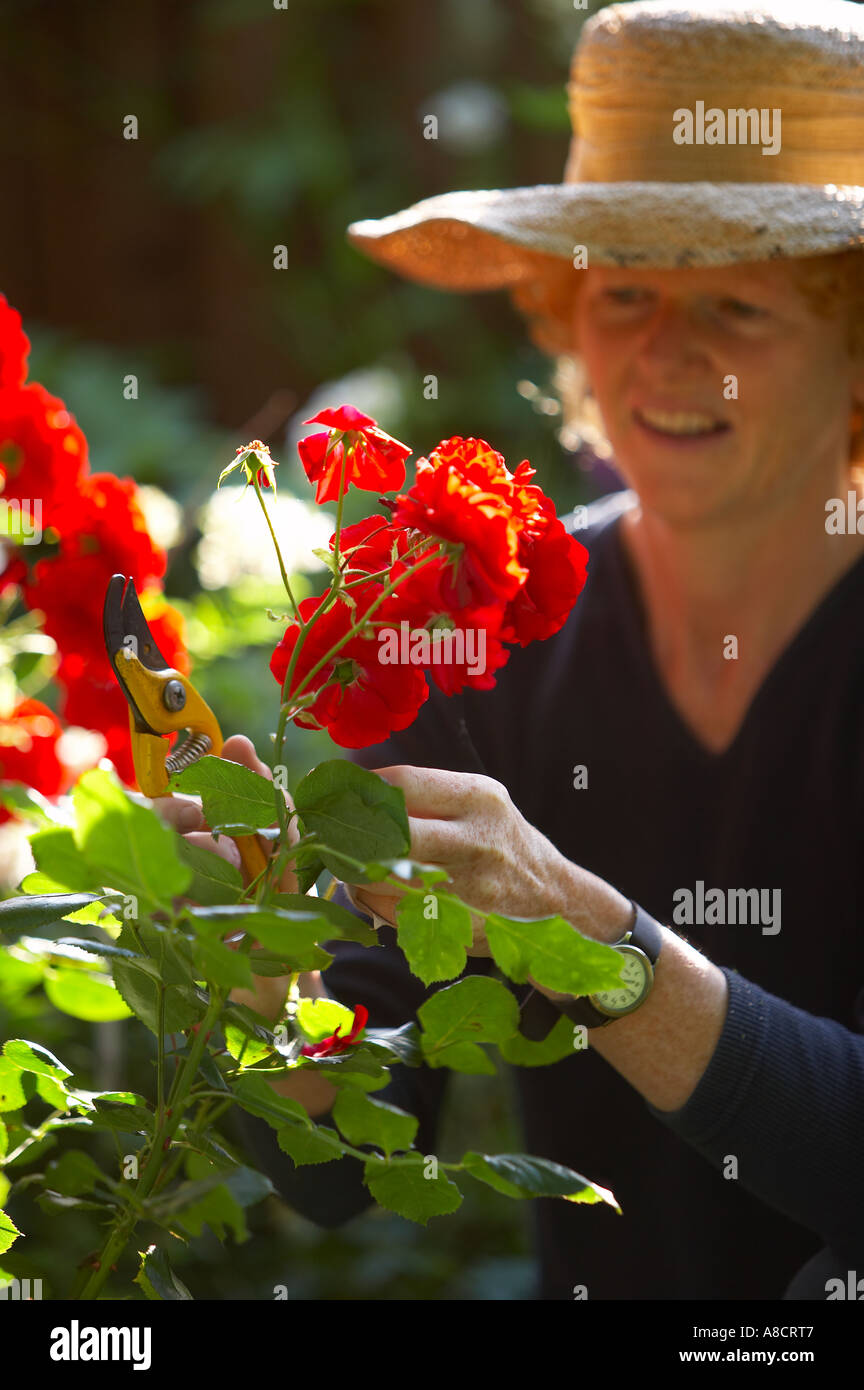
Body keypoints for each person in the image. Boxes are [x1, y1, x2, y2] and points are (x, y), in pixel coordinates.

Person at [157, 0, 864, 1299]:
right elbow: (338, 1171)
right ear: (563, 312)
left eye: (739, 304)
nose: (665, 351)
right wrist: (259, 958)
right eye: (629, 291)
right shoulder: (471, 628)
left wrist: (586, 937)